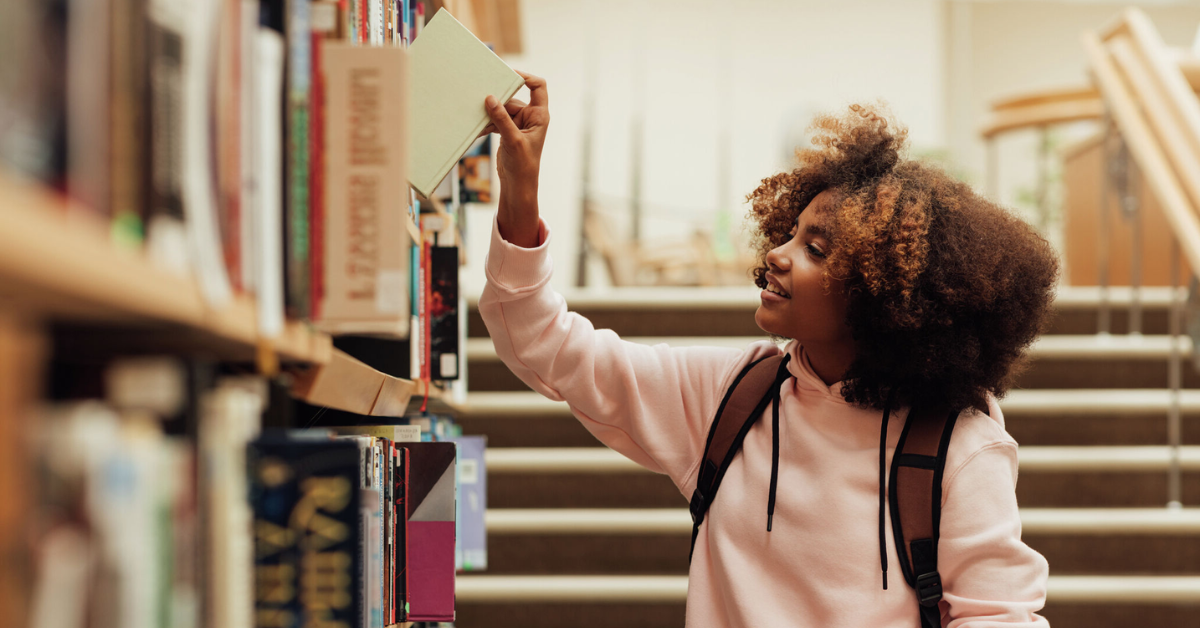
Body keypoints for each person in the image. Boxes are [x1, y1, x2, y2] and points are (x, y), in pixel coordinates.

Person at [477, 73, 1057, 627]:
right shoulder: (732, 396)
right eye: (791, 233)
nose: (778, 254)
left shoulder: (959, 448)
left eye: (817, 249)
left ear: (886, 296)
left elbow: (997, 619)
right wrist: (521, 189)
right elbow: (542, 341)